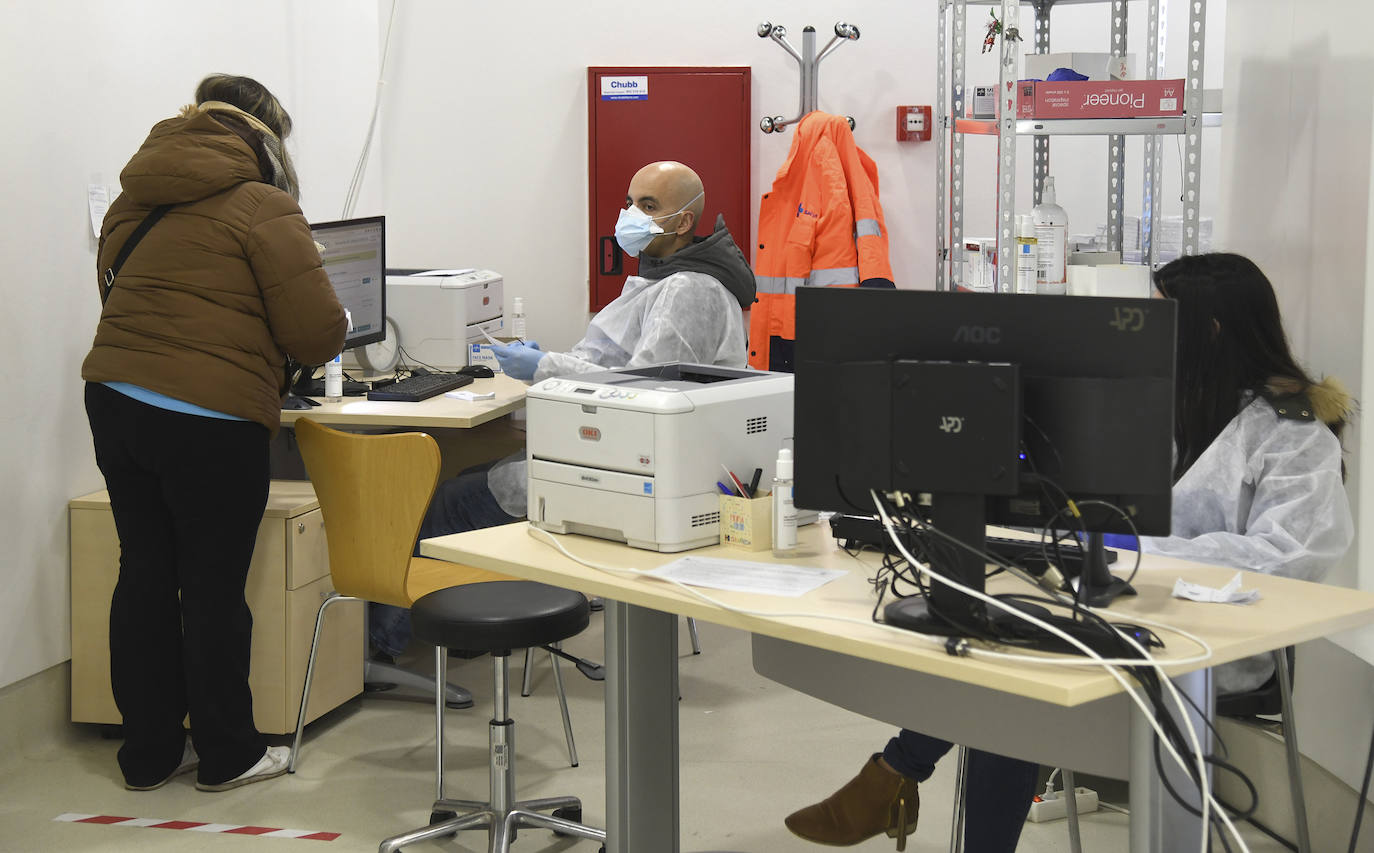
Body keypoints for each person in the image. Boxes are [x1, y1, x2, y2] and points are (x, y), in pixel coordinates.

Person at [784, 251, 1354, 851]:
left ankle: (895, 774)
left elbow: (1295, 552)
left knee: (1013, 685)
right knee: (1005, 658)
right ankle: (899, 776)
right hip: (1112, 604)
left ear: (1209, 330)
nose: (1148, 333)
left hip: (1215, 636)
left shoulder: (1290, 430)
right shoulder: (1167, 405)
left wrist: (1140, 547)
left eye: (1162, 318)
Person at [368, 160, 756, 659]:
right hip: (618, 458)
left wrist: (545, 366)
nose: (630, 215)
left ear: (683, 222)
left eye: (648, 206)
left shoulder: (689, 290)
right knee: (472, 476)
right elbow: (617, 363)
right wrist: (548, 361)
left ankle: (385, 644)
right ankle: (458, 632)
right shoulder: (665, 279)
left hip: (631, 474)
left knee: (451, 501)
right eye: (629, 202)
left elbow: (643, 389)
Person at [81, 74, 347, 792]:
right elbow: (317, 333)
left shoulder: (132, 198)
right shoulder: (264, 205)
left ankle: (148, 754)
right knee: (212, 587)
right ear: (266, 140)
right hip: (210, 419)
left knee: (143, 571)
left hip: (114, 399)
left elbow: (117, 292)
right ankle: (229, 753)